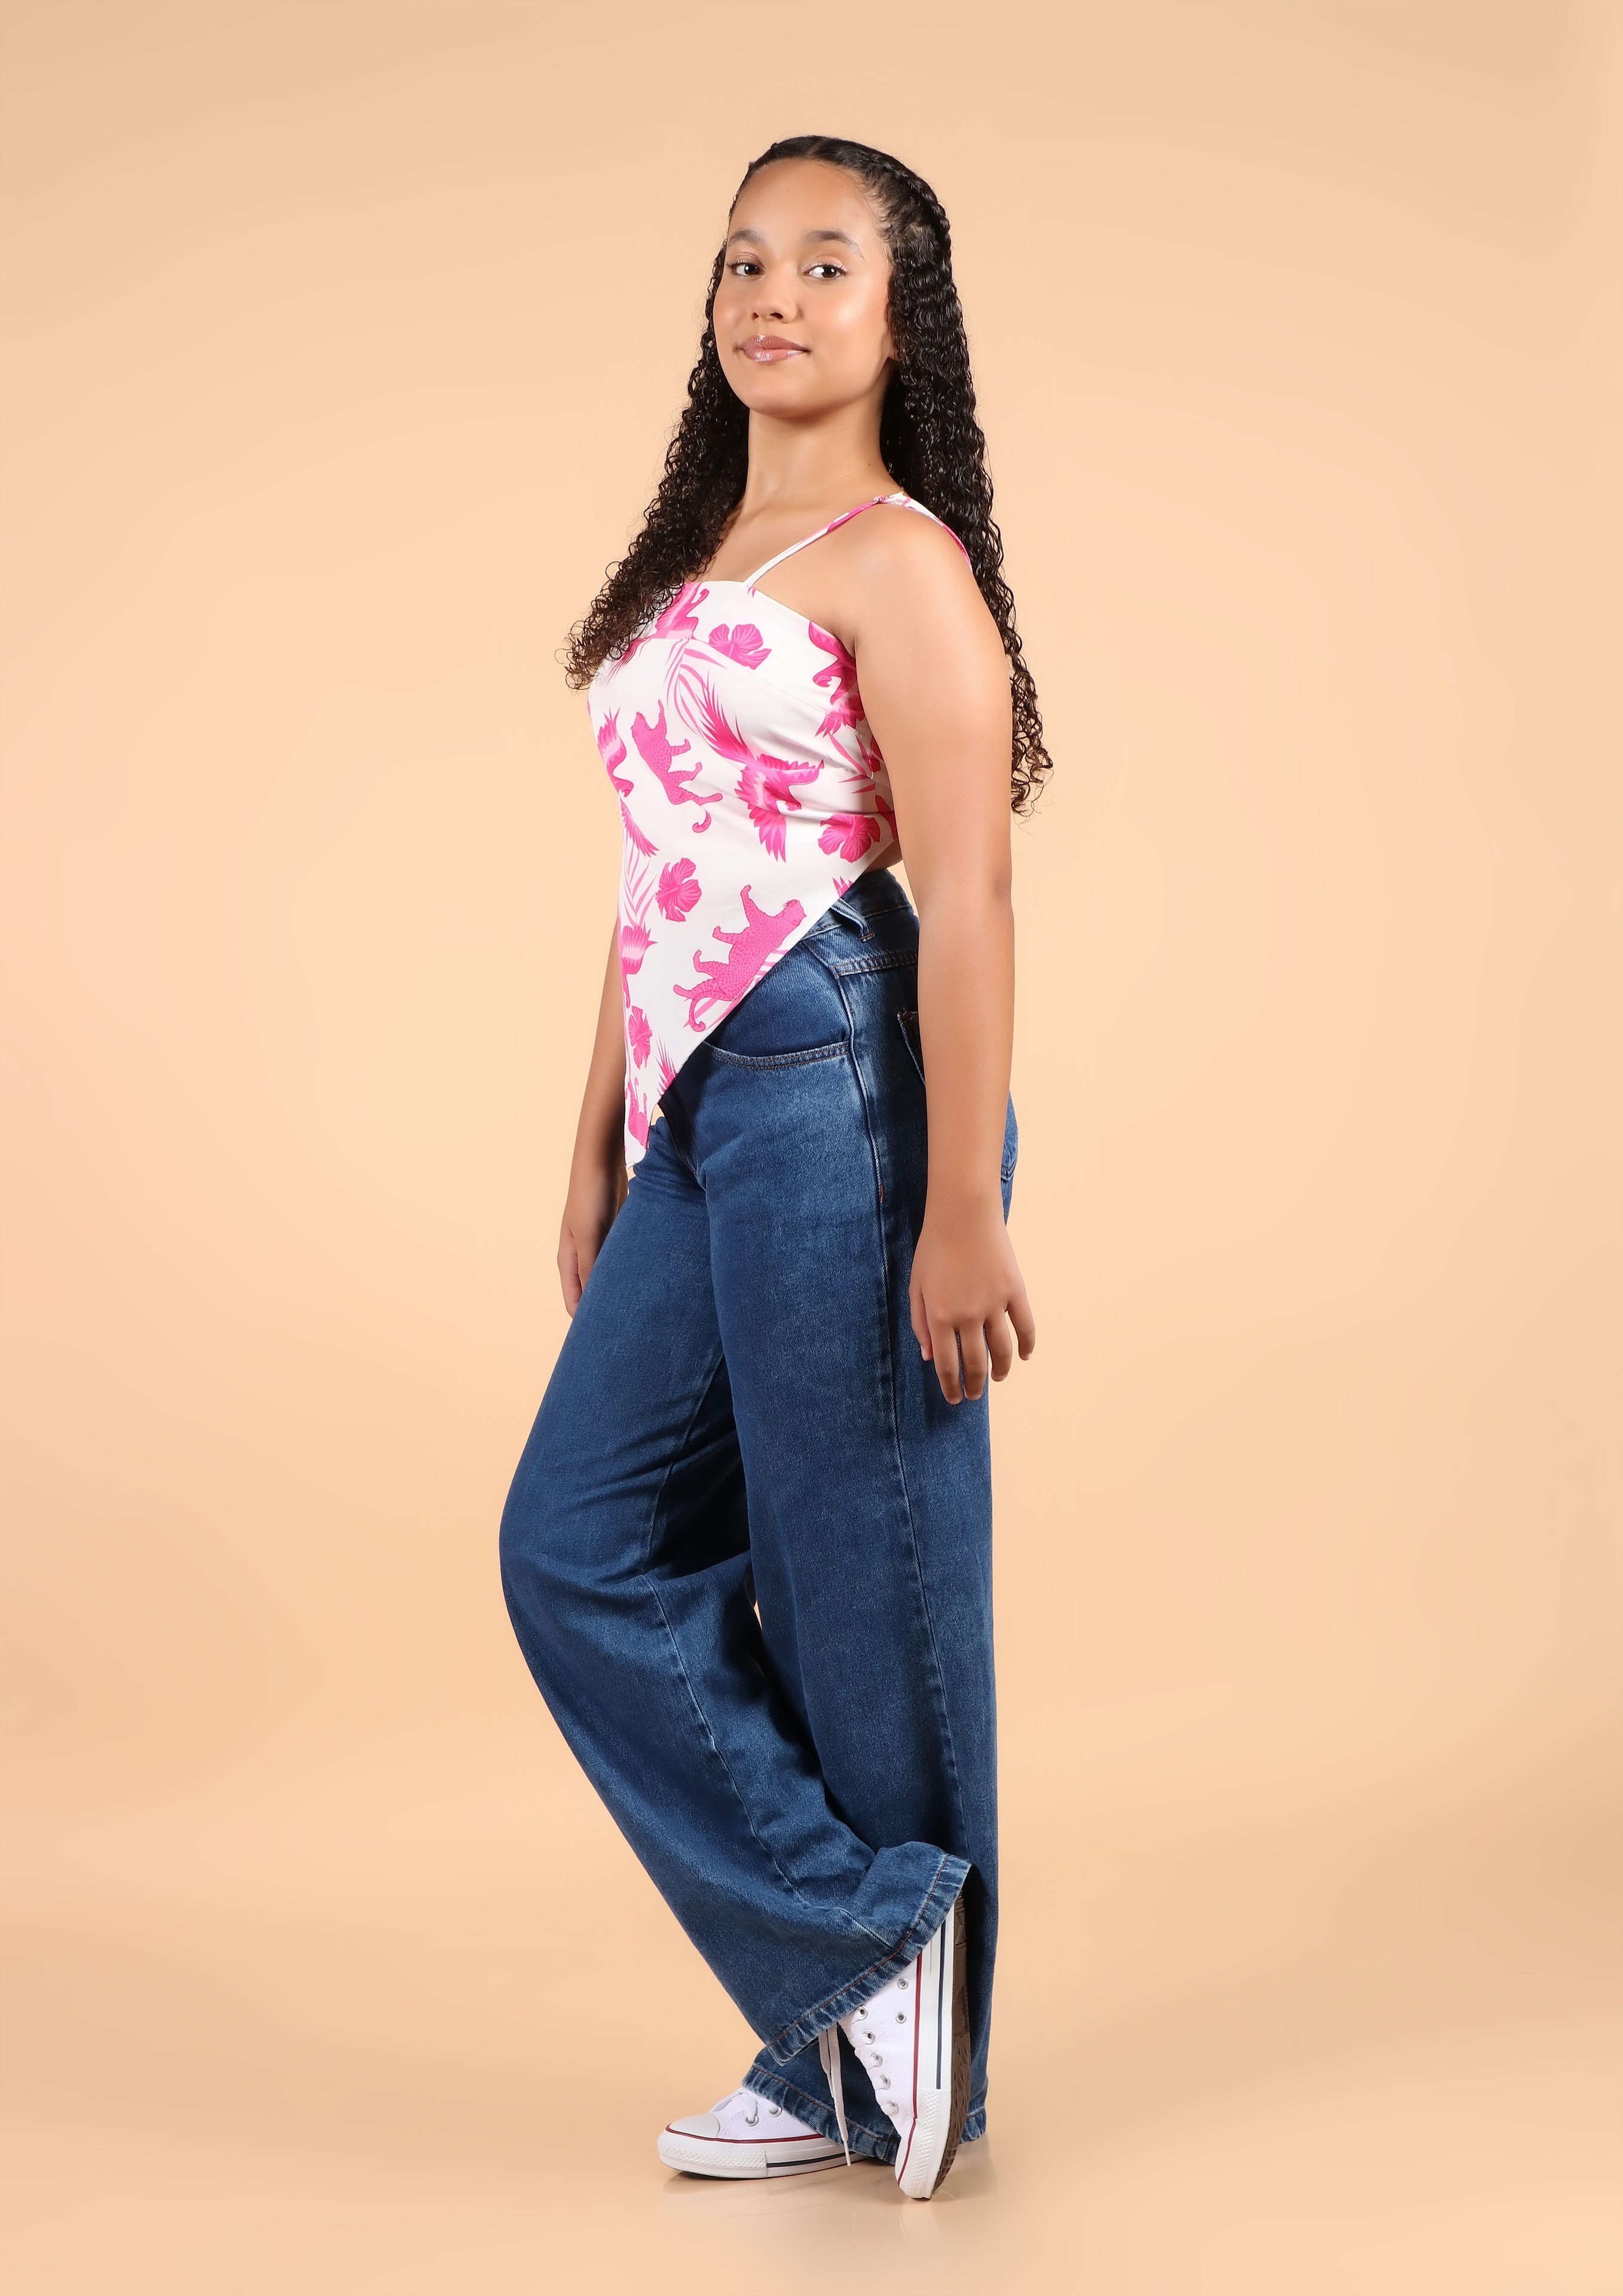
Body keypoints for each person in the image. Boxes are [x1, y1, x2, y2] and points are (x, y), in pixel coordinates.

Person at [499, 133, 1050, 2202]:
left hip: (837, 1074)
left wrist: (962, 1201)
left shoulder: (898, 561)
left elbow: (969, 889)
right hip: (700, 1098)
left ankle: (879, 2065)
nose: (772, 295)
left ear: (901, 319)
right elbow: (658, 875)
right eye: (743, 260)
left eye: (825, 264)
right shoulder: (700, 563)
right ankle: (857, 1968)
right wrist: (598, 1137)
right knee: (577, 1547)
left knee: (858, 1575)